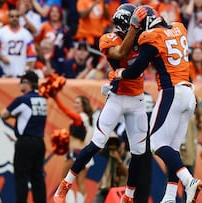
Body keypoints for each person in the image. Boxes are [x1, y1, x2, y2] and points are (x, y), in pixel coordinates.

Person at [53, 4, 150, 203]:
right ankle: (65, 184)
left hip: (138, 99)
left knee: (139, 152)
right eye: (135, 24)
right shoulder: (108, 39)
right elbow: (121, 53)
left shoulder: (144, 37)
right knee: (97, 142)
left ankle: (128, 196)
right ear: (127, 24)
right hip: (118, 97)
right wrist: (133, 28)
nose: (141, 27)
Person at [114, 5, 202, 203]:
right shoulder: (179, 27)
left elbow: (136, 69)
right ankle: (170, 196)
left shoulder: (151, 36)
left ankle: (189, 181)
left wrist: (119, 73)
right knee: (173, 147)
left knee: (155, 143)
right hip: (189, 93)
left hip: (171, 92)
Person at [0, 70, 47, 203]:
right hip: (39, 142)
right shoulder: (42, 99)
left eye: (22, 81)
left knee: (21, 176)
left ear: (28, 83)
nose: (19, 84)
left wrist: (15, 115)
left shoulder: (22, 100)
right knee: (37, 176)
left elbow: (4, 114)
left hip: (25, 143)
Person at [50, 93, 94, 203]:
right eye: (74, 102)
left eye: (78, 103)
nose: (75, 105)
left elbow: (66, 111)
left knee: (64, 180)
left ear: (84, 105)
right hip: (81, 152)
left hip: (76, 153)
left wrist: (55, 98)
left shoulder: (81, 117)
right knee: (80, 182)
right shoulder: (85, 118)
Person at [0, 9, 37, 78]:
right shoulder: (0, 33)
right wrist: (1, 58)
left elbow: (31, 56)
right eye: (12, 16)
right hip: (3, 70)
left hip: (21, 69)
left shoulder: (26, 34)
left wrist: (28, 70)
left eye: (17, 16)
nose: (14, 18)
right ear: (8, 18)